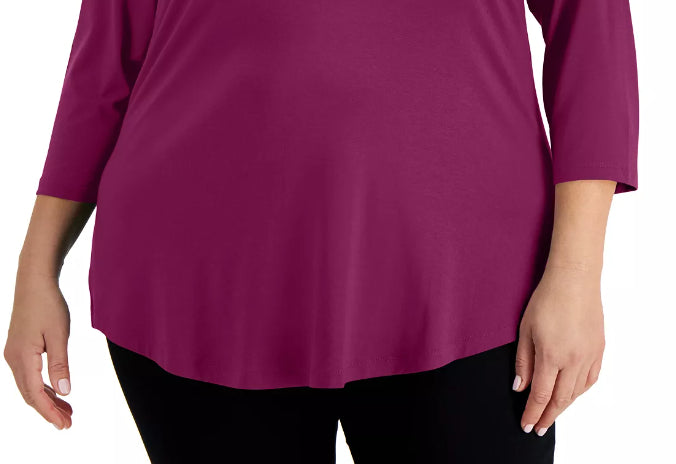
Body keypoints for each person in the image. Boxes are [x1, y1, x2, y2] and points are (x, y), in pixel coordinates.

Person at [4, 0, 639, 462]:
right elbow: (104, 60)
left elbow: (591, 27)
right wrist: (36, 270)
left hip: (465, 284)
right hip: (198, 281)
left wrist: (576, 276)